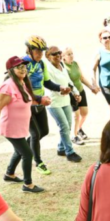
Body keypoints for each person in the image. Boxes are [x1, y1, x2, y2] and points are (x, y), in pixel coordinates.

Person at [0, 56, 48, 193]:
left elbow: (27, 101)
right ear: (11, 71)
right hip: (10, 127)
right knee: (27, 153)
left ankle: (9, 174)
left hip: (19, 127)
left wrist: (41, 100)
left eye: (24, 67)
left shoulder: (21, 83)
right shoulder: (8, 86)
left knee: (19, 151)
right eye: (19, 67)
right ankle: (28, 184)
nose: (23, 69)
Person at [23, 35, 70, 176]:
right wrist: (37, 98)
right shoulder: (23, 64)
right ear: (29, 50)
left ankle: (24, 147)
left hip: (41, 102)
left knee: (44, 131)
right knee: (35, 134)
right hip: (28, 104)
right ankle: (38, 162)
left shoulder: (41, 64)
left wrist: (60, 88)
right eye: (38, 51)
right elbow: (20, 87)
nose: (41, 54)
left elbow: (47, 83)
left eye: (42, 51)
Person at [43, 46, 82, 163]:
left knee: (68, 125)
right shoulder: (47, 68)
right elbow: (47, 84)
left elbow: (68, 81)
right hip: (53, 101)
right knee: (64, 126)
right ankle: (69, 151)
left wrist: (75, 92)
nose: (58, 56)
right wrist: (61, 90)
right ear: (48, 57)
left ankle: (60, 148)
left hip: (65, 101)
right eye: (54, 54)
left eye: (59, 53)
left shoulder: (62, 65)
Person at [63, 47, 97, 145]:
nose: (71, 55)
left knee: (85, 113)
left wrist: (91, 87)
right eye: (68, 54)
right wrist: (73, 93)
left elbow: (81, 78)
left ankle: (78, 128)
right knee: (76, 115)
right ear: (63, 57)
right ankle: (74, 136)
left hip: (81, 91)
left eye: (71, 53)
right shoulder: (63, 67)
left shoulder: (75, 64)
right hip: (72, 94)